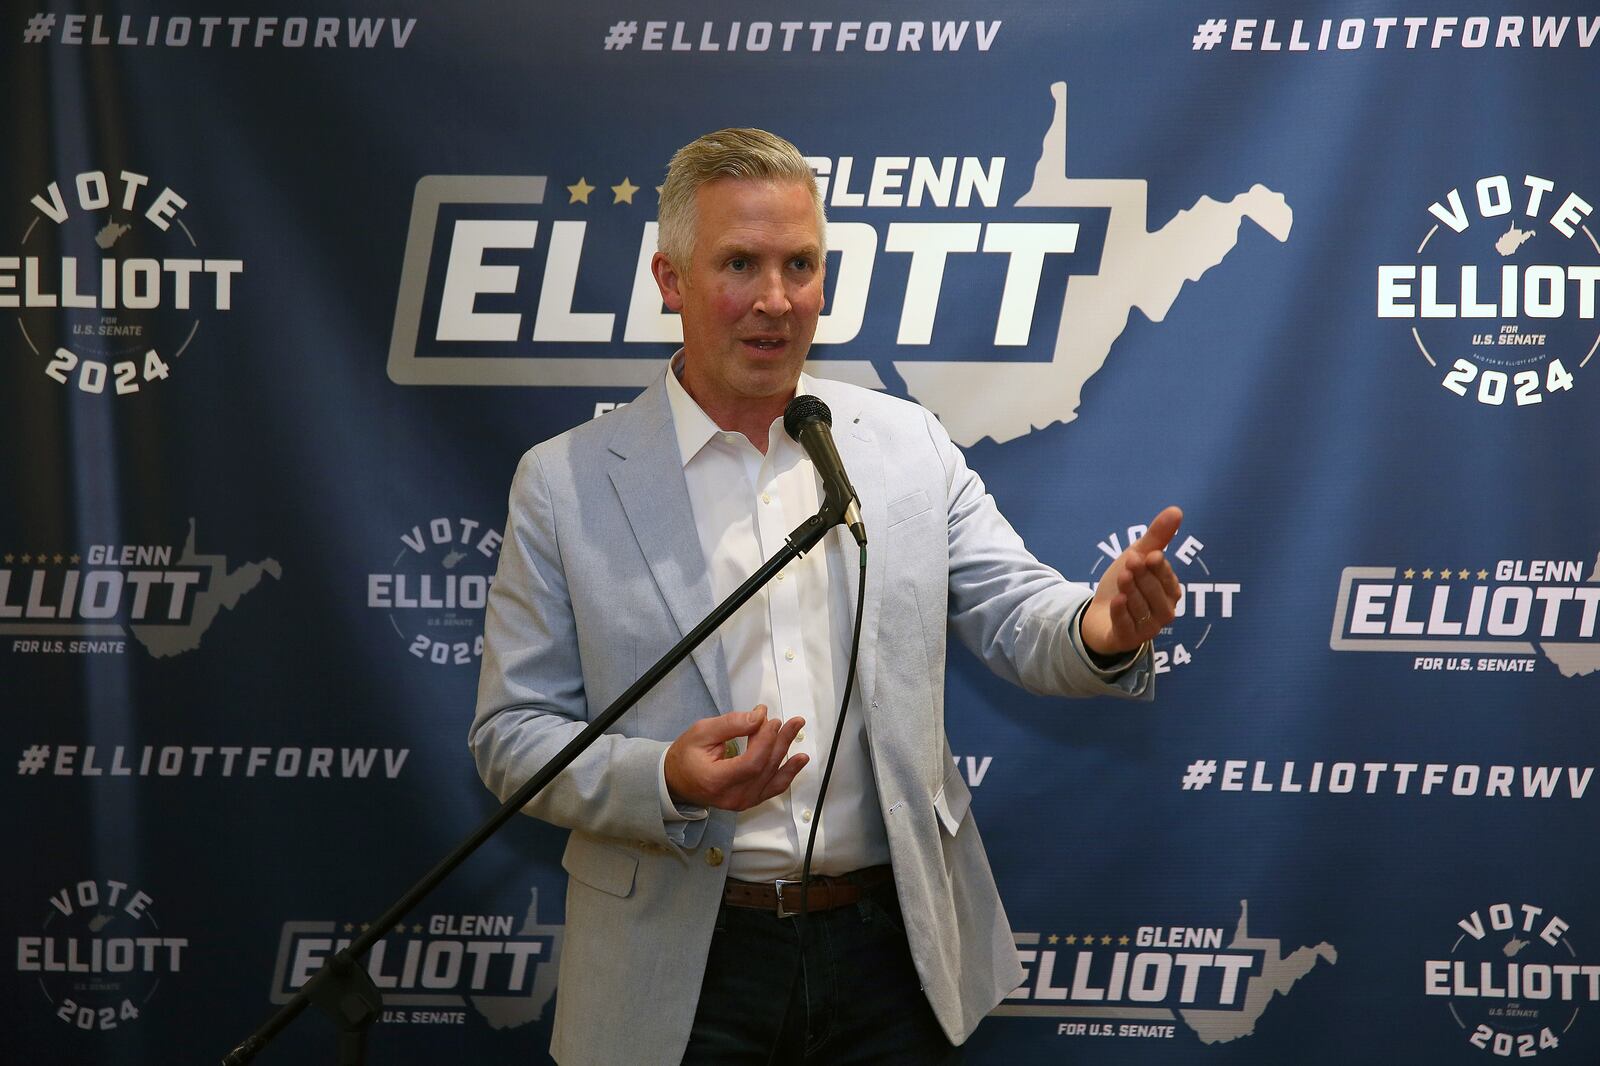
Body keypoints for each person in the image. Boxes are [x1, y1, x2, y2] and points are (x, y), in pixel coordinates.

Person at [470, 127, 1183, 1065]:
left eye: (800, 264)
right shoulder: (565, 483)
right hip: (678, 971)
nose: (776, 299)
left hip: (891, 956)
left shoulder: (905, 445)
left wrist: (1098, 628)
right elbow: (512, 736)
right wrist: (667, 779)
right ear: (671, 280)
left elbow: (1019, 614)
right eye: (740, 263)